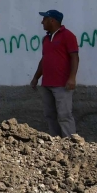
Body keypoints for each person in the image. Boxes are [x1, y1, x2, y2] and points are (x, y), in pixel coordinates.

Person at [30, 9, 79, 137]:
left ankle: (70, 142)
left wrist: (72, 78)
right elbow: (44, 59)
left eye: (44, 19)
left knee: (64, 115)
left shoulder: (68, 36)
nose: (42, 22)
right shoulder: (46, 39)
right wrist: (36, 77)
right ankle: (56, 141)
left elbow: (74, 57)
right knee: (50, 115)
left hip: (62, 84)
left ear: (52, 20)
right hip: (47, 83)